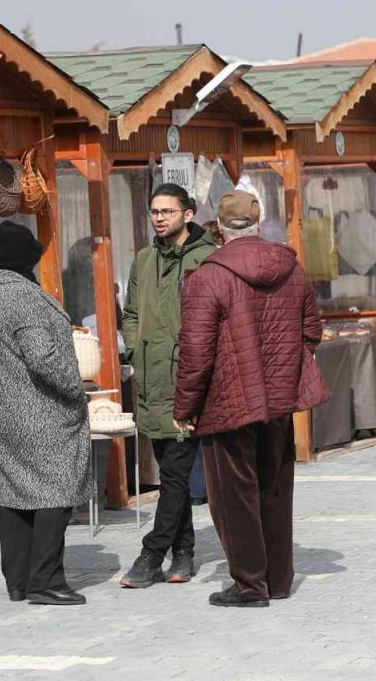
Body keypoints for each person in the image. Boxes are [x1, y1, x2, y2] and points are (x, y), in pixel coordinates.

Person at [173, 191, 326, 607]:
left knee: (234, 497)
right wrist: (284, 367)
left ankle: (250, 585)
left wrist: (185, 408)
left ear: (219, 227)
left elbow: (195, 351)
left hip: (229, 402)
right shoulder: (291, 268)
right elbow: (311, 330)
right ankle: (277, 580)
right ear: (259, 224)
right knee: (274, 489)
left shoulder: (208, 276)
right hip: (278, 399)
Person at [0, 221, 91, 606]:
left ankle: (17, 581)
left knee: (14, 494)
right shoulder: (22, 297)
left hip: (4, 411)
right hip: (41, 412)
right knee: (55, 490)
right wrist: (75, 386)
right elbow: (42, 356)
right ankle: (45, 580)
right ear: (24, 257)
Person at [120, 183, 217, 589]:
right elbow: (131, 312)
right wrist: (137, 351)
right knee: (171, 473)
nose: (159, 218)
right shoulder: (144, 259)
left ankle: (151, 554)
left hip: (186, 381)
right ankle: (184, 553)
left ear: (188, 214)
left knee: (175, 474)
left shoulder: (206, 259)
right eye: (155, 211)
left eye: (168, 211)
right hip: (150, 380)